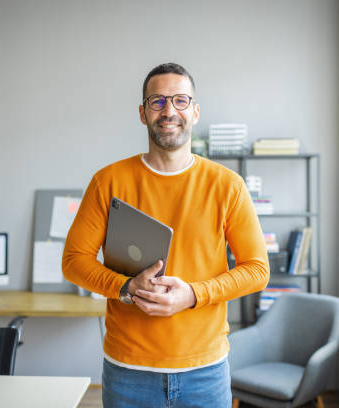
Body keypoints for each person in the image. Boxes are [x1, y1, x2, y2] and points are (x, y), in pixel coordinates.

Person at [62, 62, 269, 408]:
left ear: (195, 111)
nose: (168, 110)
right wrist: (125, 287)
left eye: (180, 101)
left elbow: (258, 269)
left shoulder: (227, 185)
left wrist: (193, 294)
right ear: (142, 113)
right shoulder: (108, 181)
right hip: (128, 372)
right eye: (157, 102)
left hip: (205, 371)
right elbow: (74, 262)